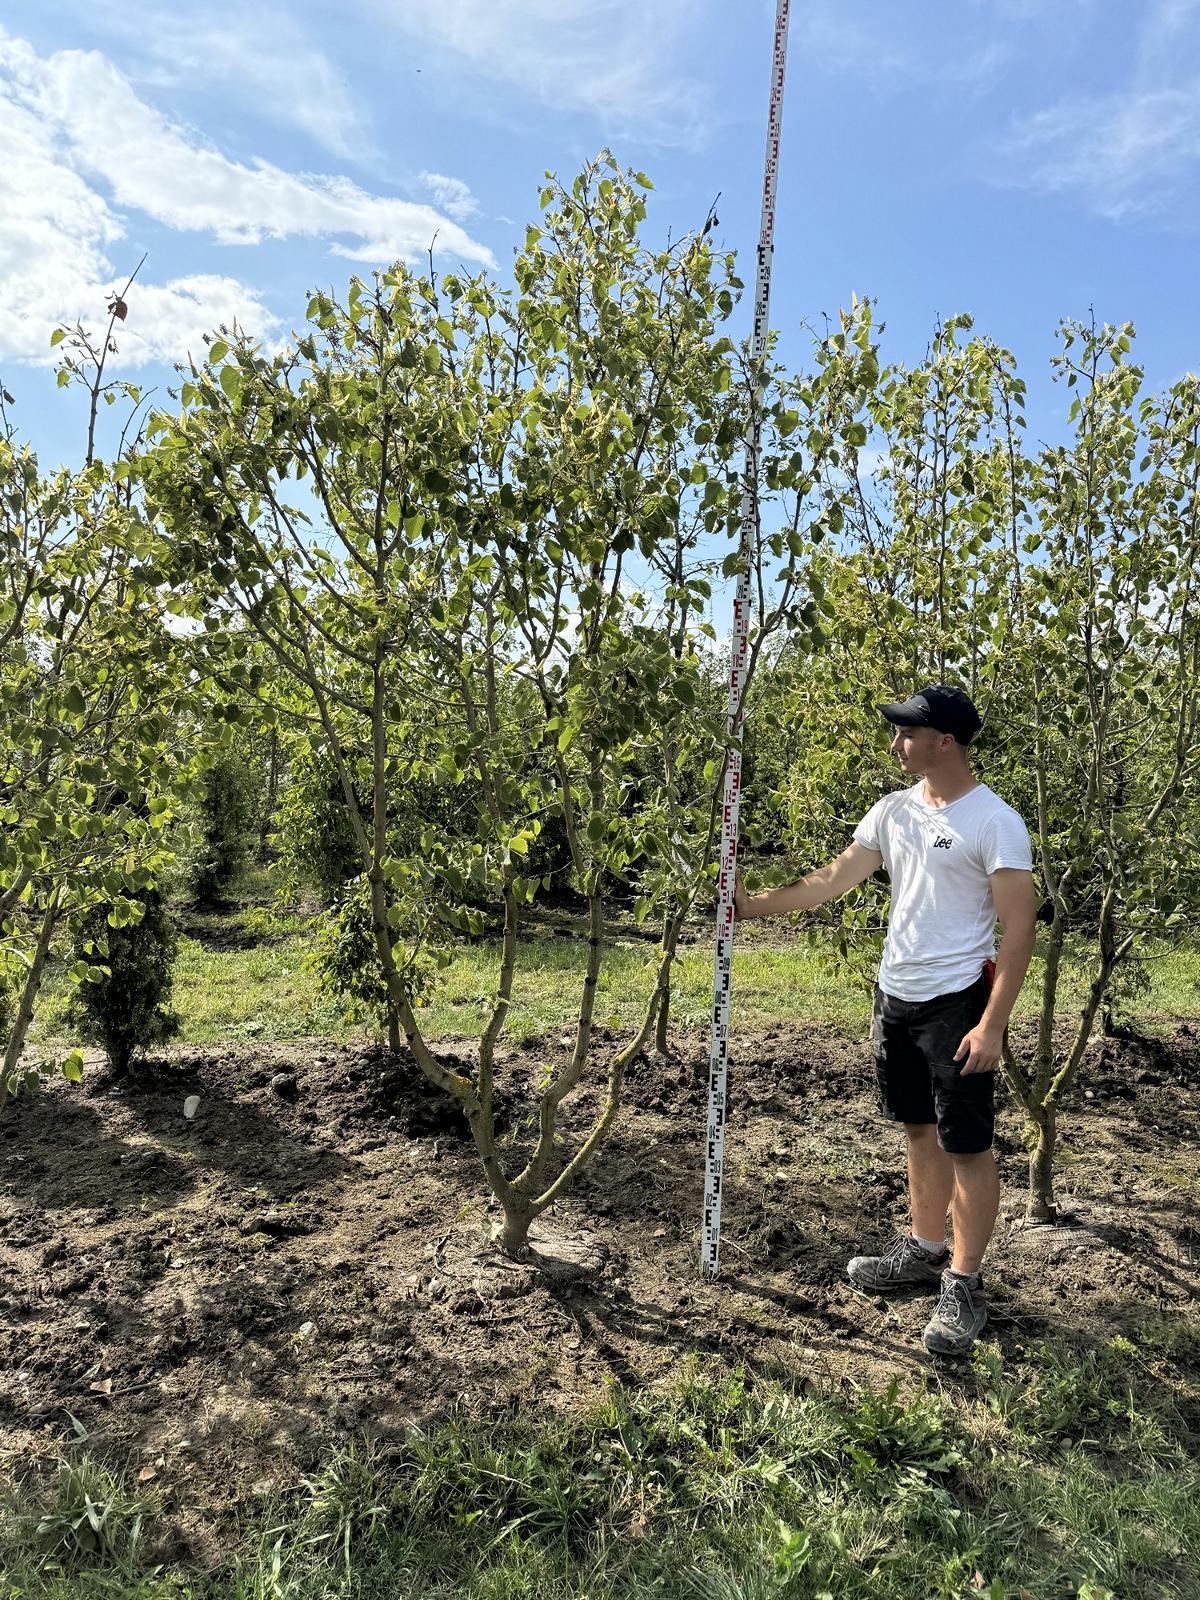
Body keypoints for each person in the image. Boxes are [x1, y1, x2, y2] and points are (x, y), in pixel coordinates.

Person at [735, 684, 1036, 1356]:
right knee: (919, 1130)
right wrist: (748, 907)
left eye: (906, 733)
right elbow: (833, 879)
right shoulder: (893, 813)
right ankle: (926, 1248)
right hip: (895, 996)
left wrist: (991, 1026)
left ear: (945, 742)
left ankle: (963, 1282)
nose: (896, 744)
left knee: (968, 1145)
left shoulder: (994, 821)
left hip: (957, 1002)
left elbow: (1019, 932)